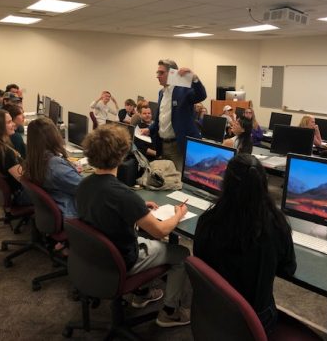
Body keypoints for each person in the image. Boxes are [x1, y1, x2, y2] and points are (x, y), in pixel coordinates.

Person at [76, 124, 191, 327]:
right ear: (122, 154)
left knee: (148, 238)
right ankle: (170, 312)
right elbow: (162, 230)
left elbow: (106, 208)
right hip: (122, 259)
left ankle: (142, 293)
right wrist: (179, 214)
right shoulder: (123, 195)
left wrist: (138, 208)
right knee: (182, 255)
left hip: (96, 256)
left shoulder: (84, 184)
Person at [193, 153, 296, 335]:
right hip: (256, 321)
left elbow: (200, 260)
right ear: (264, 184)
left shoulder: (208, 221)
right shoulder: (276, 225)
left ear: (226, 183)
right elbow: (288, 269)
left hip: (213, 312)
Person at [146, 59, 207, 172]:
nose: (158, 76)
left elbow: (201, 95)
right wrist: (149, 129)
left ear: (172, 73)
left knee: (178, 180)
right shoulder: (161, 93)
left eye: (161, 73)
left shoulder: (184, 91)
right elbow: (161, 118)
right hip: (163, 144)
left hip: (177, 146)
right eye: (157, 73)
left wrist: (194, 78)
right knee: (165, 178)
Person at [22, 117, 82, 219]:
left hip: (59, 205)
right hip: (72, 211)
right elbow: (86, 188)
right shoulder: (55, 166)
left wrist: (69, 168)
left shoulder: (34, 158)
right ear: (53, 136)